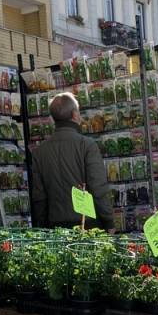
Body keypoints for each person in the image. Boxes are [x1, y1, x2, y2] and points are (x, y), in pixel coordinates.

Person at [30, 92, 114, 230]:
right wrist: (109, 221)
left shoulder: (39, 152)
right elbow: (98, 187)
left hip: (55, 226)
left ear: (53, 119)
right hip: (87, 224)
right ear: (75, 115)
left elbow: (39, 197)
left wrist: (43, 227)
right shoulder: (87, 145)